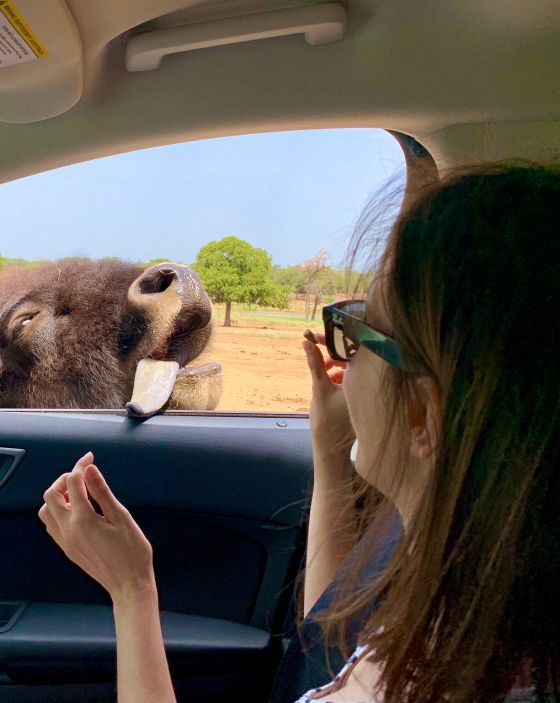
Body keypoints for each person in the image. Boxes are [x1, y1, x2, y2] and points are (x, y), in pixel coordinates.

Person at [38, 165, 560, 703]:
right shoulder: (471, 586)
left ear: (423, 415)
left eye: (359, 337)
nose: (344, 364)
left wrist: (132, 590)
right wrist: (332, 454)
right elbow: (331, 649)